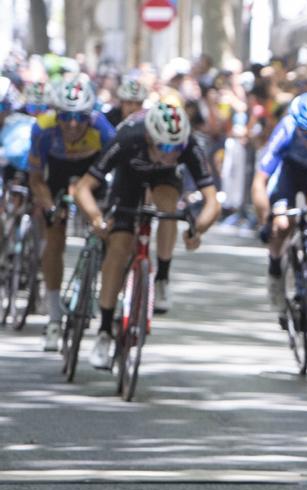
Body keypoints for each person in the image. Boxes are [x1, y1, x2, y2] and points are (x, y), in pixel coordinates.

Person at [76, 103, 221, 368]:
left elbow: (212, 201)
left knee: (169, 207)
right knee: (119, 248)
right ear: (149, 138)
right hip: (128, 180)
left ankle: (162, 277)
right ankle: (105, 331)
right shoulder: (127, 138)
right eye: (164, 147)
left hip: (165, 181)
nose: (170, 154)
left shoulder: (186, 144)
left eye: (175, 149)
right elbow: (84, 188)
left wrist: (198, 228)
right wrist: (96, 218)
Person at [28, 76, 117, 351]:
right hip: (57, 172)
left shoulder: (103, 129)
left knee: (111, 234)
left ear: (89, 115)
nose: (72, 124)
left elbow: (118, 171)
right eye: (65, 116)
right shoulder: (42, 129)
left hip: (94, 172)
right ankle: (54, 317)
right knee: (54, 238)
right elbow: (36, 179)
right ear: (56, 113)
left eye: (79, 117)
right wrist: (50, 207)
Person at [252, 92, 307, 315]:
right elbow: (259, 181)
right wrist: (265, 220)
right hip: (291, 173)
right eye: (306, 133)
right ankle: (275, 269)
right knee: (282, 225)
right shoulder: (287, 127)